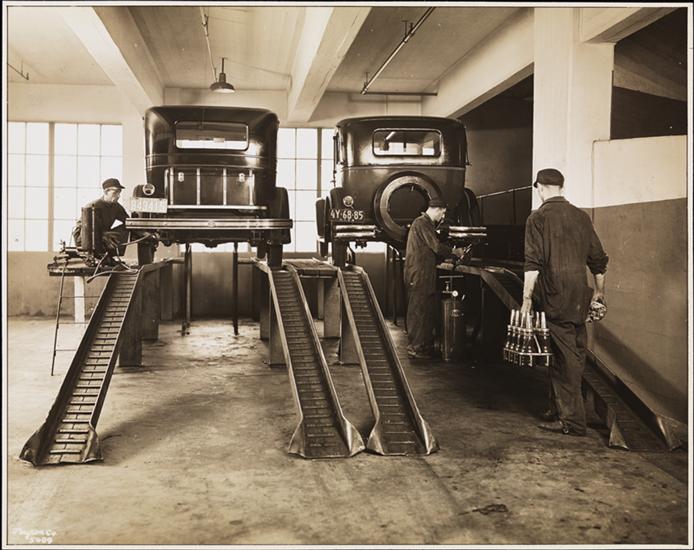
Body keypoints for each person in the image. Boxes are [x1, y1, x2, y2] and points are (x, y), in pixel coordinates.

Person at [520, 168, 608, 437]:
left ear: (541, 188)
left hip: (554, 298)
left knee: (563, 359)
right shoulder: (582, 217)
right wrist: (599, 293)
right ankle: (556, 408)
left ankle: (572, 421)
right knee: (574, 355)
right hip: (579, 298)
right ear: (561, 187)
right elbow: (598, 260)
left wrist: (526, 299)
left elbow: (533, 264)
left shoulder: (537, 218)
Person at [404, 197, 465, 359]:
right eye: (442, 213)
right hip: (419, 273)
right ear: (436, 209)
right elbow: (436, 246)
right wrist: (455, 252)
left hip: (423, 272)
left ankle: (422, 345)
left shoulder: (424, 223)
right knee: (419, 309)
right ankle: (416, 347)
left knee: (424, 309)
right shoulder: (422, 223)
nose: (442, 217)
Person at [73, 178, 130, 257]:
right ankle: (99, 256)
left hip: (102, 235)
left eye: (119, 192)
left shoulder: (116, 206)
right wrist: (102, 235)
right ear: (106, 192)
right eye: (115, 192)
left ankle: (109, 256)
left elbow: (128, 222)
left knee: (126, 228)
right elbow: (86, 231)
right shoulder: (93, 206)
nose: (118, 195)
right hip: (84, 236)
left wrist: (142, 231)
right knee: (103, 236)